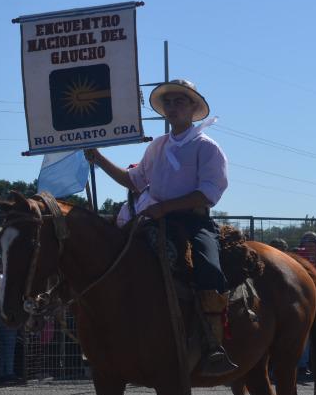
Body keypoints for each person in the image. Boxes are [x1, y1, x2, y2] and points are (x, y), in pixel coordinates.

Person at [85, 78, 236, 375]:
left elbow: (208, 193)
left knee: (208, 267)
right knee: (116, 259)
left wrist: (165, 207)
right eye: (168, 102)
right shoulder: (157, 146)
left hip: (192, 221)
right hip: (154, 218)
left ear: (193, 108)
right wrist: (99, 158)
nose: (172, 106)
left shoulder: (207, 148)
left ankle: (213, 344)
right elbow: (134, 180)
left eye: (180, 101)